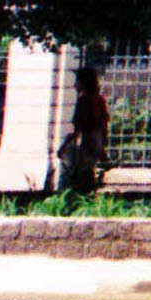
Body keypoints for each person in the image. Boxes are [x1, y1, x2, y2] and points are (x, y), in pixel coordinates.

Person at [55, 57, 111, 200]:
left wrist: (64, 146)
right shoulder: (100, 100)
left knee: (77, 178)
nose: (75, 84)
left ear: (84, 83)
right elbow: (104, 125)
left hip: (85, 143)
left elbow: (78, 128)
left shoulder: (83, 100)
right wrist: (103, 149)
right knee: (88, 176)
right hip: (96, 142)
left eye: (77, 81)